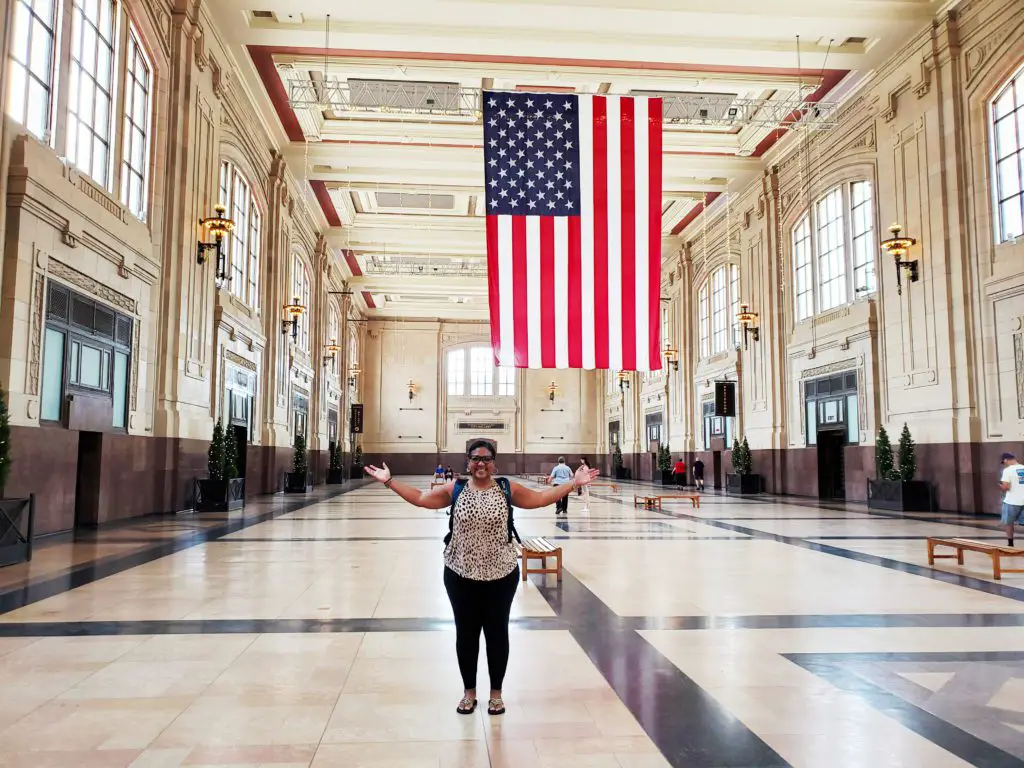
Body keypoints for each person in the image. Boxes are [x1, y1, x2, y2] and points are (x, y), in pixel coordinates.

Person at [364, 440, 599, 716]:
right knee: (466, 635)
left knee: (497, 634)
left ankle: (496, 694)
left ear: (494, 463)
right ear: (468, 461)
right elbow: (421, 498)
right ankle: (469, 693)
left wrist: (574, 484)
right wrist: (389, 481)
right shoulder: (457, 488)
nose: (481, 464)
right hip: (460, 573)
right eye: (476, 459)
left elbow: (538, 499)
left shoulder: (505, 488)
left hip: (501, 575)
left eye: (486, 459)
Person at [999, 452, 1024, 547]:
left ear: (1006, 460)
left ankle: (1010, 543)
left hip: (1012, 501)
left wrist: (1000, 485)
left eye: (1004, 462)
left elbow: (1006, 487)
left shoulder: (1008, 470)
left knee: (1009, 523)